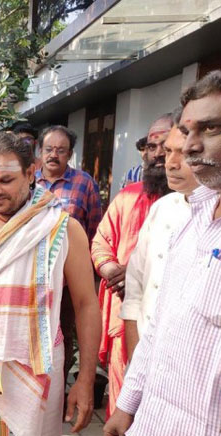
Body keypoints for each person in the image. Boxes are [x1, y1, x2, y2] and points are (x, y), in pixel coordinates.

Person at [0, 132, 100, 436]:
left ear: (31, 173)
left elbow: (86, 305)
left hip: (38, 368)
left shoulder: (62, 228)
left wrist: (84, 381)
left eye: (5, 180)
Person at [103, 70, 221, 436]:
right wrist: (126, 406)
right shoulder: (193, 216)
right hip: (153, 419)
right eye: (188, 132)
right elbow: (160, 327)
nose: (189, 148)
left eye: (211, 128)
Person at [91, 114, 174, 419]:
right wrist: (116, 273)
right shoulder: (128, 197)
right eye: (152, 146)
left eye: (166, 145)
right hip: (123, 314)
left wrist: (138, 275)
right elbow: (100, 243)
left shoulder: (194, 204)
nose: (159, 154)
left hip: (169, 320)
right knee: (122, 388)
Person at [120, 124, 198, 361]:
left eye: (183, 154)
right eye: (168, 151)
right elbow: (134, 293)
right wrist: (134, 364)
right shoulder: (161, 209)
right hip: (145, 356)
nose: (170, 163)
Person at [35, 125, 103, 385]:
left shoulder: (84, 183)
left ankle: (58, 392)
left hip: (67, 278)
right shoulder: (29, 181)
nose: (54, 155)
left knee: (62, 334)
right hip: (33, 276)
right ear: (40, 151)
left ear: (70, 154)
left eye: (61, 150)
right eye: (49, 149)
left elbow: (95, 229)